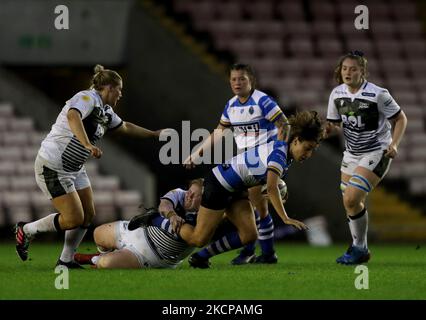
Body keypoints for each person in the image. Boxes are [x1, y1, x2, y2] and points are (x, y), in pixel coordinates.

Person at [14, 64, 168, 268]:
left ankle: (65, 260)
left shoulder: (105, 110)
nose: (120, 95)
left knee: (88, 214)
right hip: (53, 164)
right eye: (119, 90)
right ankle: (25, 230)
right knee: (72, 219)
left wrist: (154, 134)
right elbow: (73, 116)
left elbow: (125, 127)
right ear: (110, 88)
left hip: (74, 168)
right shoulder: (87, 97)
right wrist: (87, 144)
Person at [132, 111, 323, 268]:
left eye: (312, 150)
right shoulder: (280, 157)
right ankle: (155, 217)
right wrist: (285, 218)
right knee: (198, 238)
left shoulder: (284, 146)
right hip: (219, 185)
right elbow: (272, 187)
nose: (308, 154)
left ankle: (201, 258)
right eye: (307, 148)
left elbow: (283, 128)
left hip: (237, 189)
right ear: (296, 141)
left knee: (249, 234)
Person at [184, 63, 291, 265]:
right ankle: (253, 251)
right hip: (245, 163)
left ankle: (267, 254)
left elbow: (284, 124)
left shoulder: (262, 100)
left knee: (260, 207)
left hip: (262, 161)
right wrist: (197, 152)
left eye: (242, 79)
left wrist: (279, 151)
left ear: (251, 81)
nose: (237, 83)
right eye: (233, 79)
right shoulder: (231, 105)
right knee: (253, 211)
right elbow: (219, 131)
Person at [326, 51, 407, 265]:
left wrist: (394, 144)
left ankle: (359, 248)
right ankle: (359, 248)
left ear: (362, 71)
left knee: (351, 198)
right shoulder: (336, 94)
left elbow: (400, 118)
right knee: (351, 203)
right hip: (351, 154)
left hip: (376, 150)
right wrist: (327, 129)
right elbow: (335, 124)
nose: (348, 72)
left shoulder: (378, 94)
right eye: (344, 68)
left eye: (353, 69)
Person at [73, 179, 203, 269]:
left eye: (194, 195)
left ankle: (96, 260)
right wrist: (172, 215)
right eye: (189, 192)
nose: (188, 196)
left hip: (151, 254)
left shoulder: (203, 218)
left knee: (105, 263)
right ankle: (106, 255)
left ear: (204, 200)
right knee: (98, 234)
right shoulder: (180, 193)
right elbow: (164, 205)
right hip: (139, 230)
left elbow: (188, 235)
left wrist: (154, 219)